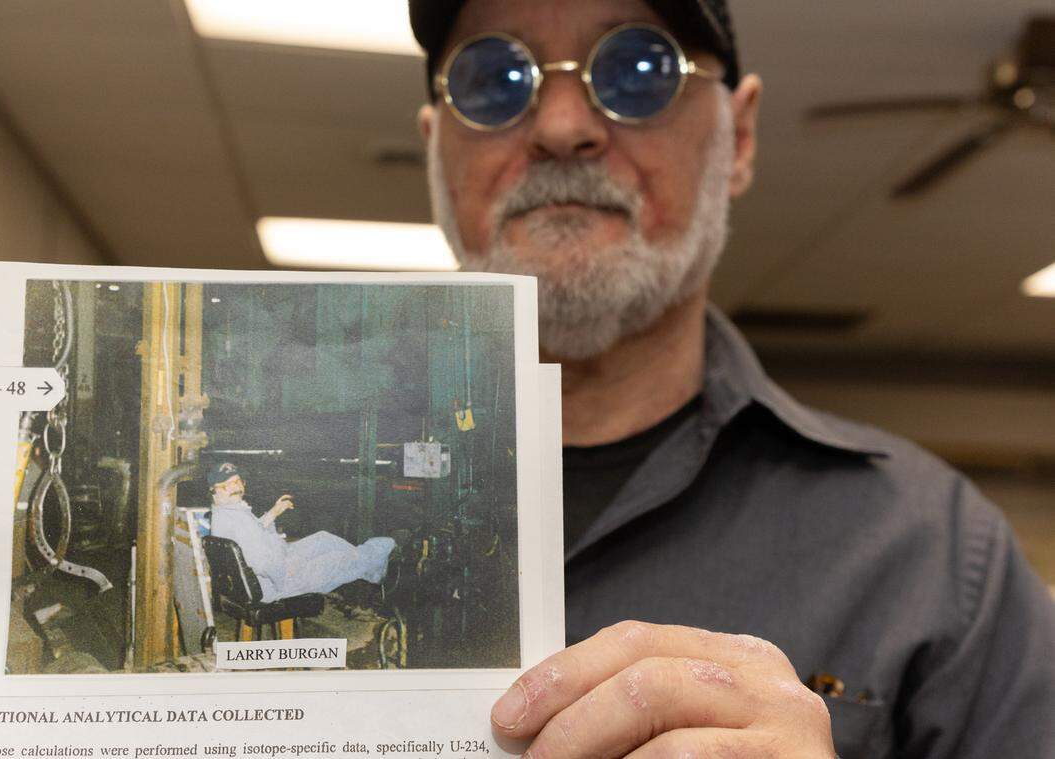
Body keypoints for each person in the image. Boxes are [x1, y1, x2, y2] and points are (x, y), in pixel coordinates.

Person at [409, 0, 1055, 756]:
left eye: (637, 71)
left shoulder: (936, 555)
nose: (560, 127)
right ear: (434, 147)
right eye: (495, 79)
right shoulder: (258, 487)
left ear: (740, 137)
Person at [206, 462, 396, 600]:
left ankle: (374, 564)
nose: (236, 488)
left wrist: (273, 512)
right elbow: (262, 563)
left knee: (324, 538)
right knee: (339, 559)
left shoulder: (227, 512)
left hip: (277, 564)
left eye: (238, 481)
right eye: (226, 485)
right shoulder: (233, 516)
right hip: (276, 582)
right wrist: (289, 570)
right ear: (213, 491)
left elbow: (252, 535)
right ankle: (385, 560)